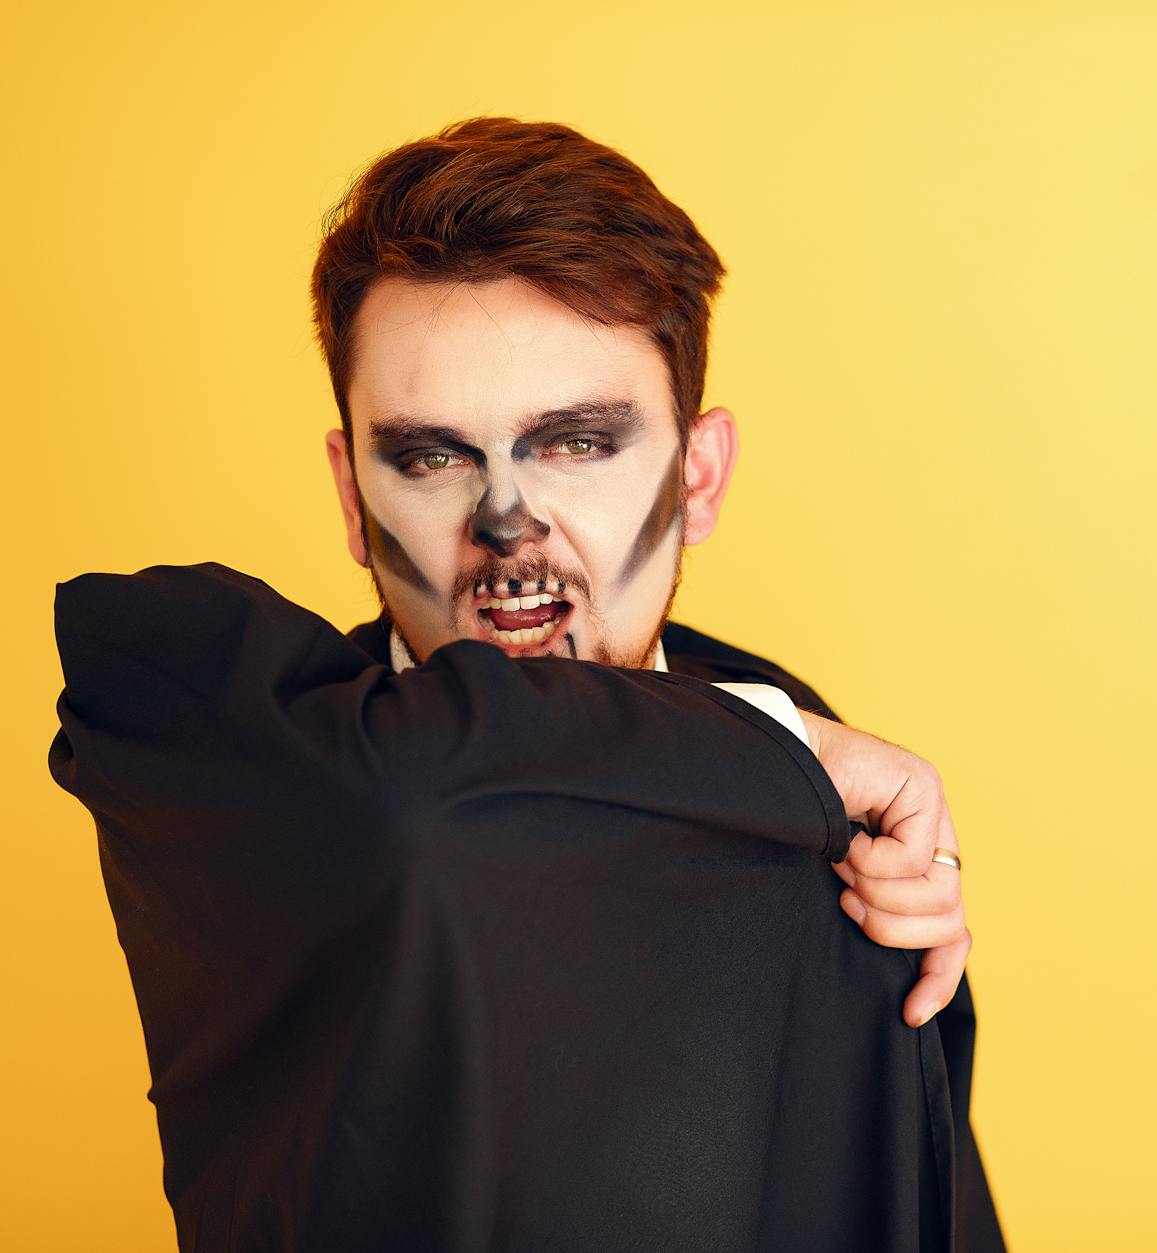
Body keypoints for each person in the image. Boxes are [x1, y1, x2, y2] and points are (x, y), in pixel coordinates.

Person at [46, 116, 1004, 1251]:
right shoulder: (257, 750)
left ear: (696, 478)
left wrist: (797, 758)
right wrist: (771, 742)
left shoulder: (817, 775)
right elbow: (411, 801)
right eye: (433, 454)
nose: (508, 525)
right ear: (354, 497)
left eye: (577, 442)